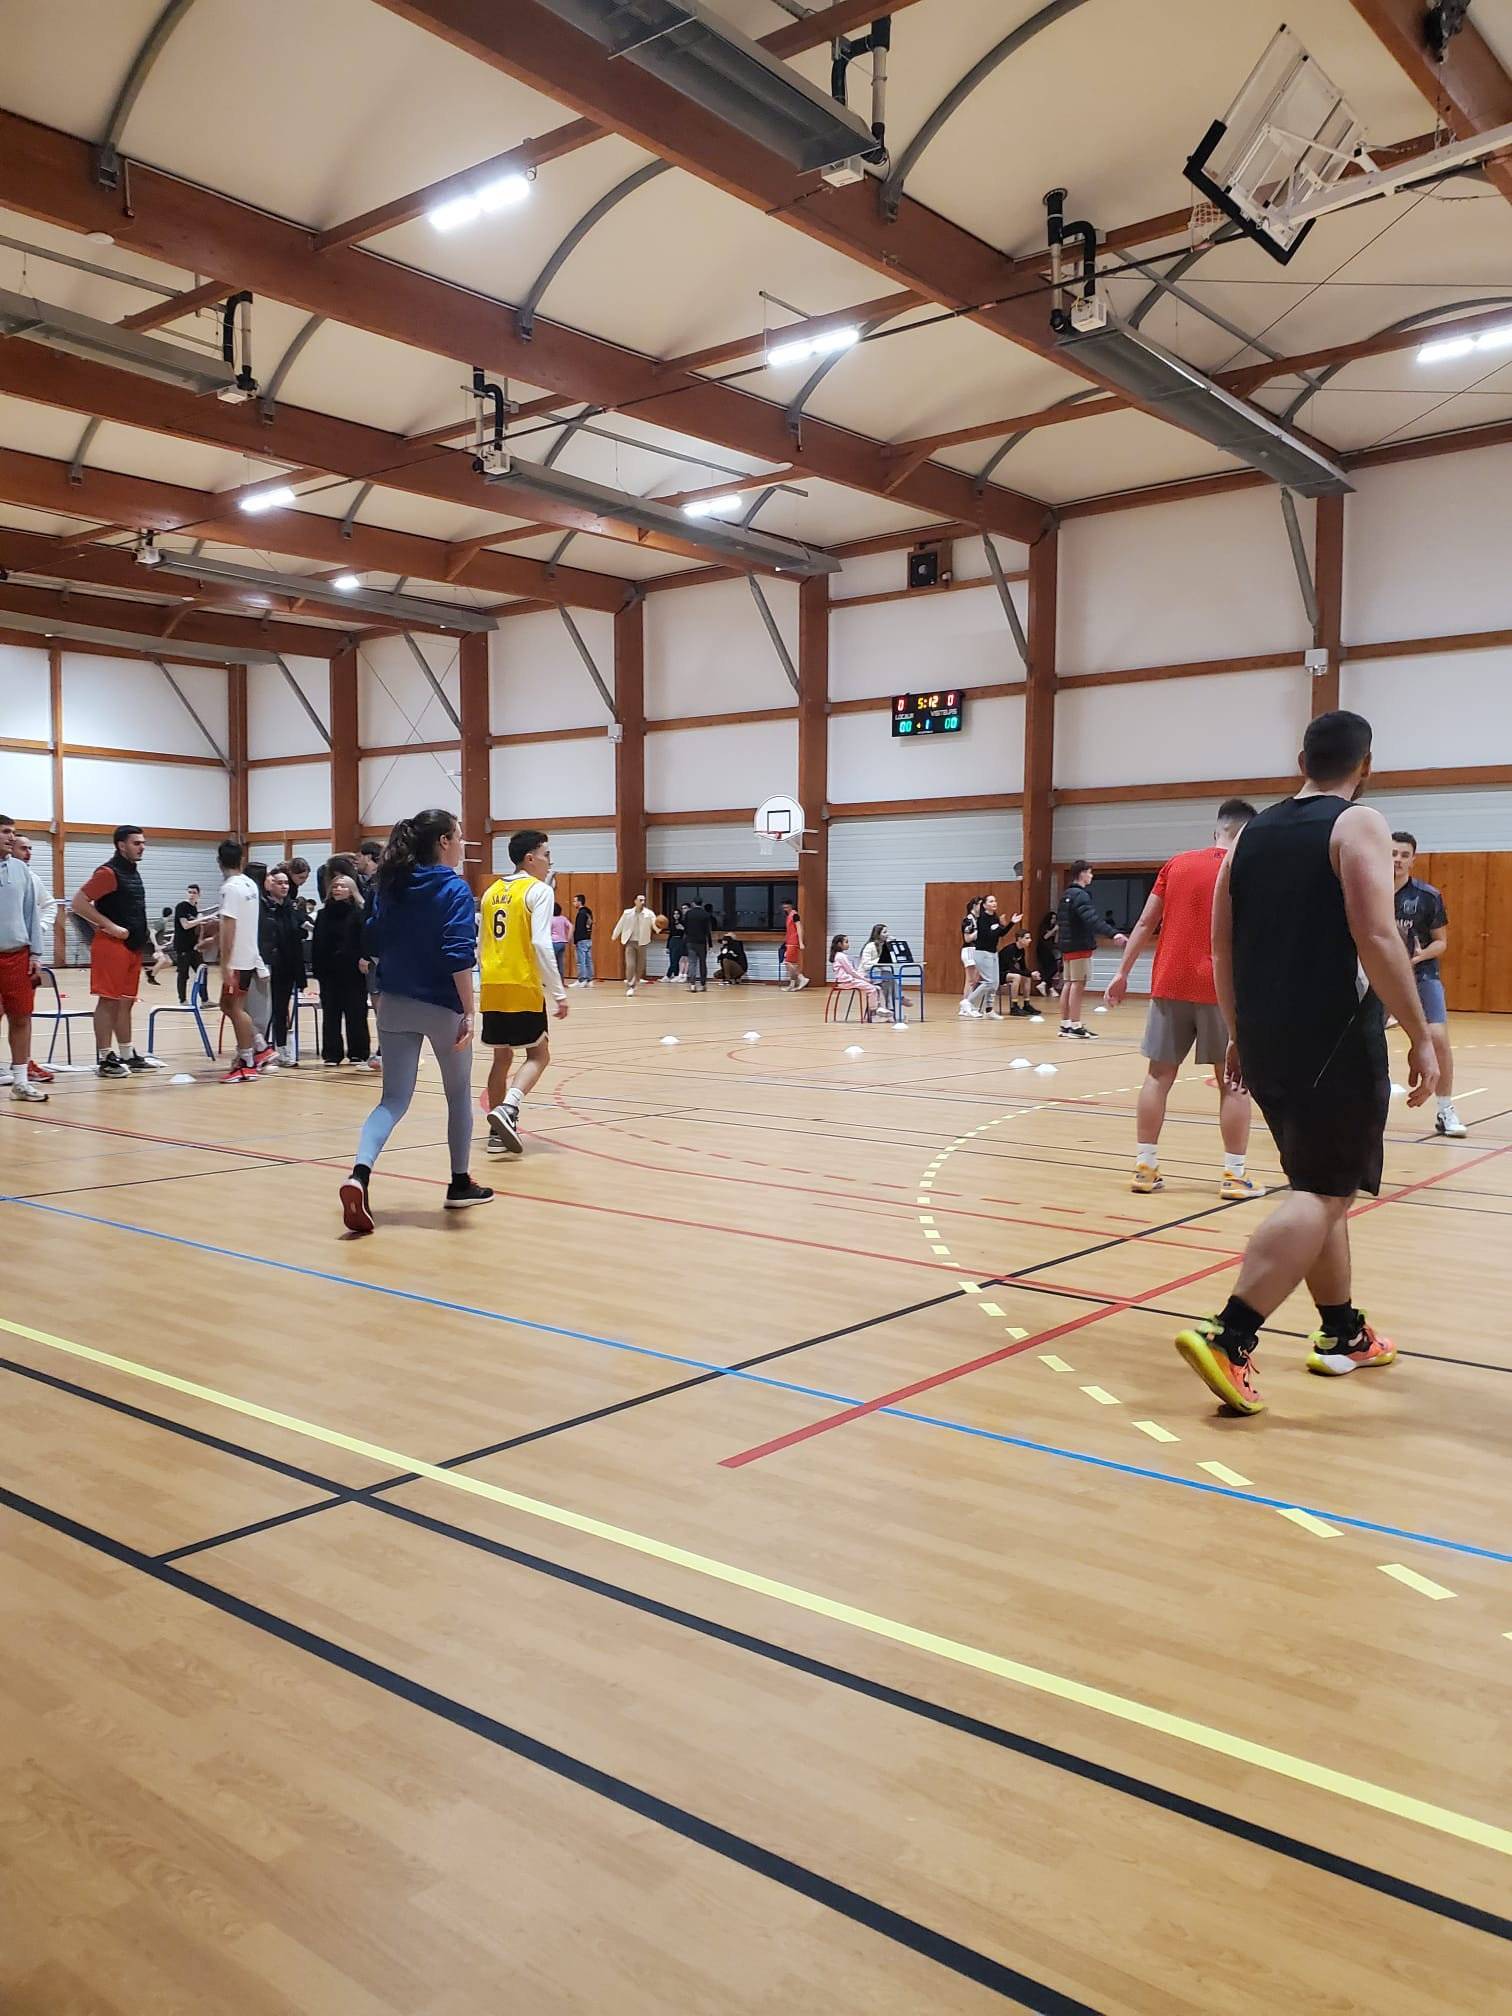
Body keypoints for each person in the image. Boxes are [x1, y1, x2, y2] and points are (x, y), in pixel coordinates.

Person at [1174, 711, 1437, 1417]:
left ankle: (1342, 1331)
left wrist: (1238, 1033)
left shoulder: (1249, 836)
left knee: (1321, 1183)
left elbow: (1221, 946)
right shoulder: (1358, 823)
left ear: (1301, 761)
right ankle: (1231, 1334)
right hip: (1333, 1037)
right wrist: (1421, 1032)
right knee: (1324, 1191)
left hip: (1264, 1037)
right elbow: (1375, 932)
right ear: (1366, 764)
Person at [340, 808, 491, 1232]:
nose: (462, 845)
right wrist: (469, 1011)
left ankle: (359, 1174)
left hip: (394, 1002)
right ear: (444, 841)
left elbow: (373, 940)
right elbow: (458, 955)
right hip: (442, 1005)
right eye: (459, 837)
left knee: (392, 1101)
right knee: (458, 1095)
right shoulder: (453, 888)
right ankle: (459, 1183)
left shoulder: (390, 885)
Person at [1105, 800, 1262, 1202]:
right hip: (1223, 989)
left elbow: (1145, 922)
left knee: (1158, 1077)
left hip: (1169, 983)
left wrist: (1122, 973)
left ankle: (1145, 1167)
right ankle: (1234, 1175)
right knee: (1234, 1083)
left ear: (1216, 831)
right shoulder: (1249, 869)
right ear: (1248, 834)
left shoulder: (1177, 864)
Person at [481, 828, 569, 1156]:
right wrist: (558, 991)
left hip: (492, 983)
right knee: (539, 1055)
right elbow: (541, 944)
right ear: (530, 858)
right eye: (547, 855)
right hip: (521, 981)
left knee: (501, 1057)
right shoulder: (538, 890)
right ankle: (509, 1108)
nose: (549, 862)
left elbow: (481, 942)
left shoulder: (491, 892)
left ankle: (496, 1134)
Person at [70, 824, 163, 1078]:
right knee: (108, 1001)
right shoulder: (107, 872)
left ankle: (127, 1053)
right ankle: (104, 1058)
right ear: (122, 845)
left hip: (132, 947)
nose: (142, 847)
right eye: (136, 843)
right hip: (111, 946)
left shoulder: (132, 872)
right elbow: (78, 903)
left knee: (126, 1001)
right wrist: (109, 926)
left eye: (143, 843)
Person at [1391, 832, 1465, 1139]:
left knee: (1437, 1037)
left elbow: (1441, 942)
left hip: (1421, 974)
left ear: (1413, 860)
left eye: (1403, 855)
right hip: (1377, 976)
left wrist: (1419, 956)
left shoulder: (1427, 896)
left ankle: (1446, 1109)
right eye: (1392, 853)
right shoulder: (1367, 890)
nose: (1397, 860)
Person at [216, 839, 272, 1084]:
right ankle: (259, 1046)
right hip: (249, 955)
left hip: (237, 959)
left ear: (219, 862)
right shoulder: (250, 884)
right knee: (227, 1005)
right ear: (242, 860)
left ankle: (248, 1061)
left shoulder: (229, 888)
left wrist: (225, 963)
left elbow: (229, 926)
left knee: (235, 1008)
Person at [0, 813, 47, 1102]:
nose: (12, 837)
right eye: (6, 832)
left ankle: (20, 1081)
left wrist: (36, 953)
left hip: (18, 956)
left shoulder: (21, 869)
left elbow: (32, 912)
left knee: (21, 1018)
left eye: (13, 832)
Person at [1055, 863, 1126, 1039]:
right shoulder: (1081, 895)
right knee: (1078, 984)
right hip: (1079, 945)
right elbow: (1092, 919)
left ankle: (1065, 1024)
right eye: (1089, 873)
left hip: (1067, 946)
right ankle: (1076, 1026)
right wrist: (1113, 933)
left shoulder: (1066, 895)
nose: (1091, 876)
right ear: (1081, 874)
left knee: (1069, 983)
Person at [8, 831, 55, 1087]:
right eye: (22, 848)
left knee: (22, 1014)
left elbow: (49, 906)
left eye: (30, 848)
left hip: (21, 954)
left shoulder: (30, 877)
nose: (28, 853)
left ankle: (23, 1068)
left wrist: (38, 931)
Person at [310, 872, 370, 1065]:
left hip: (353, 970)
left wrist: (364, 959)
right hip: (329, 970)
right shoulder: (323, 914)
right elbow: (317, 943)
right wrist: (317, 970)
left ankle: (358, 1051)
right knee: (330, 1013)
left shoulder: (359, 913)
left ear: (351, 890)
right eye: (335, 886)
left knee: (356, 1012)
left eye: (343, 886)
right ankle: (332, 1053)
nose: (338, 889)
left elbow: (364, 940)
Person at [260, 865, 307, 1067]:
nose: (284, 886)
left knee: (281, 1009)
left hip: (288, 966)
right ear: (270, 885)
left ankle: (282, 1048)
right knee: (264, 1011)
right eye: (279, 883)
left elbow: (303, 928)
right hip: (268, 965)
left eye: (286, 883)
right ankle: (261, 1050)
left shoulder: (292, 908)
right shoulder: (264, 908)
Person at [963, 893, 1013, 1019]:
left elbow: (1001, 934)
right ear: (984, 905)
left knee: (995, 983)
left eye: (995, 901)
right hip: (982, 953)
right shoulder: (982, 919)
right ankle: (968, 1002)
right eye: (990, 901)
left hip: (993, 952)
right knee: (989, 981)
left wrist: (1011, 923)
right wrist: (998, 927)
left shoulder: (995, 918)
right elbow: (988, 935)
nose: (994, 903)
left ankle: (989, 1010)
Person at [830, 933, 888, 1021]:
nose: (848, 944)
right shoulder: (841, 956)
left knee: (877, 988)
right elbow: (851, 971)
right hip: (847, 982)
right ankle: (874, 1011)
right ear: (839, 944)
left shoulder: (839, 955)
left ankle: (877, 1008)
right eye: (846, 942)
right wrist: (864, 979)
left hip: (848, 981)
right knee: (872, 989)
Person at [612, 893, 656, 993]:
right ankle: (629, 986)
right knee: (630, 965)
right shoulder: (627, 913)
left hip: (642, 943)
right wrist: (614, 935)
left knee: (640, 967)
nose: (642, 902)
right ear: (635, 901)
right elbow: (620, 924)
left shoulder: (649, 914)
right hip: (630, 942)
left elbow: (654, 925)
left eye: (644, 900)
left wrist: (659, 928)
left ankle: (635, 982)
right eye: (640, 900)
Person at [172, 882, 202, 1003]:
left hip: (193, 947)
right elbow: (185, 925)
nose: (191, 895)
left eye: (194, 893)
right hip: (183, 946)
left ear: (198, 895)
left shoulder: (195, 908)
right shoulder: (181, 906)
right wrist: (202, 919)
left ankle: (205, 1000)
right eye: (189, 892)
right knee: (183, 974)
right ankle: (183, 1000)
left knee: (201, 972)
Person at [999, 928, 1038, 1017]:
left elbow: (1023, 968)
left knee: (1027, 977)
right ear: (1019, 939)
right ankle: (1014, 1006)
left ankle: (1026, 1004)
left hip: (1008, 973)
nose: (1030, 940)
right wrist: (1029, 973)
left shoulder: (1021, 950)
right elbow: (1012, 969)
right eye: (1027, 938)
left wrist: (1032, 974)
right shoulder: (1010, 949)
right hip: (999, 974)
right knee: (1016, 977)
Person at [683, 897, 716, 993]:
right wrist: (710, 944)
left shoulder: (689, 913)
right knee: (703, 963)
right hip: (701, 942)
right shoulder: (706, 914)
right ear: (702, 903)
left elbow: (686, 928)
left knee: (692, 963)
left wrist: (685, 940)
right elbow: (708, 931)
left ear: (693, 903)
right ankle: (703, 984)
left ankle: (692, 985)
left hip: (691, 941)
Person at [781, 901, 808, 990]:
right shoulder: (788, 916)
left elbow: (799, 928)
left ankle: (801, 978)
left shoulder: (794, 915)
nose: (785, 909)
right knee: (792, 964)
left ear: (791, 906)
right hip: (789, 942)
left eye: (787, 907)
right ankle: (792, 985)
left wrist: (800, 942)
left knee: (788, 962)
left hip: (793, 942)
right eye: (784, 908)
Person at [1035, 912, 1061, 998]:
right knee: (1053, 967)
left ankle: (1049, 987)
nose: (1053, 920)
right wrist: (1054, 930)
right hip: (1043, 949)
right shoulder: (1044, 926)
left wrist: (1057, 931)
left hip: (1049, 949)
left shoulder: (1052, 927)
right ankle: (1045, 984)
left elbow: (1055, 941)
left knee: (1048, 969)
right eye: (1052, 918)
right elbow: (1045, 937)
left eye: (1055, 918)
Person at [572, 892, 595, 986]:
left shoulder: (581, 913)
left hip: (581, 939)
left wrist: (575, 940)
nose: (573, 903)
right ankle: (590, 980)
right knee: (588, 960)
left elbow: (579, 928)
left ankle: (582, 980)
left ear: (579, 902)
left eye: (575, 901)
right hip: (588, 938)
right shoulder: (588, 912)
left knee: (581, 961)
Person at [549, 901, 572, 982]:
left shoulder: (551, 919)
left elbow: (548, 931)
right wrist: (568, 938)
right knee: (560, 963)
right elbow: (571, 926)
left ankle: (551, 981)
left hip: (554, 942)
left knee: (551, 963)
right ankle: (561, 981)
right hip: (562, 943)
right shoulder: (563, 918)